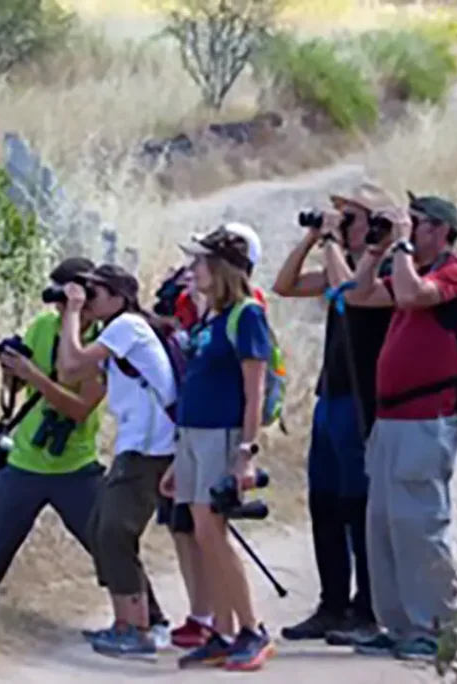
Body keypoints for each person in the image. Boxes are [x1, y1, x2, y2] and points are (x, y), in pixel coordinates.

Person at [343, 194, 457, 660]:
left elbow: (410, 296)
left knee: (418, 524)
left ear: (442, 230)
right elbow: (358, 296)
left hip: (426, 420)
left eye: (418, 224)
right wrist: (378, 249)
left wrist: (399, 248)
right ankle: (398, 624)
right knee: (382, 524)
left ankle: (435, 627)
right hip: (390, 421)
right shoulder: (406, 268)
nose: (410, 230)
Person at [271, 186, 394, 645]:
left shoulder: (384, 273)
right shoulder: (339, 262)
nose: (343, 226)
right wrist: (311, 239)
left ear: (376, 224)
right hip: (332, 393)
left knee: (356, 505)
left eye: (352, 219)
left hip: (363, 400)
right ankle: (332, 603)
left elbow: (347, 288)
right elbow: (284, 285)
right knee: (323, 501)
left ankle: (367, 607)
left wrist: (331, 243)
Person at [0, 257, 109, 610]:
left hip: (74, 464)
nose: (59, 305)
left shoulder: (104, 343)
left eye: (67, 297)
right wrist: (10, 368)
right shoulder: (43, 326)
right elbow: (21, 389)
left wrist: (32, 373)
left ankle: (145, 616)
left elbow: (78, 408)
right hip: (26, 460)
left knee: (109, 548)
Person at [160, 225, 275, 672]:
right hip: (192, 436)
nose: (193, 270)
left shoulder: (246, 315)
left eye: (200, 262)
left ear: (223, 267)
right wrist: (177, 458)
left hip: (220, 436)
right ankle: (224, 632)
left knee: (214, 533)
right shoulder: (211, 318)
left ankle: (251, 628)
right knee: (202, 532)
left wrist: (245, 450)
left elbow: (254, 389)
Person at [54, 263, 179, 660]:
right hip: (137, 445)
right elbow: (67, 371)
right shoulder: (119, 330)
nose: (88, 298)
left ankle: (139, 628)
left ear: (120, 297)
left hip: (148, 447)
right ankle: (127, 622)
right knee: (101, 527)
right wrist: (75, 314)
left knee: (114, 532)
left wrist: (73, 312)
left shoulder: (128, 327)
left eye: (95, 292)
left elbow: (71, 366)